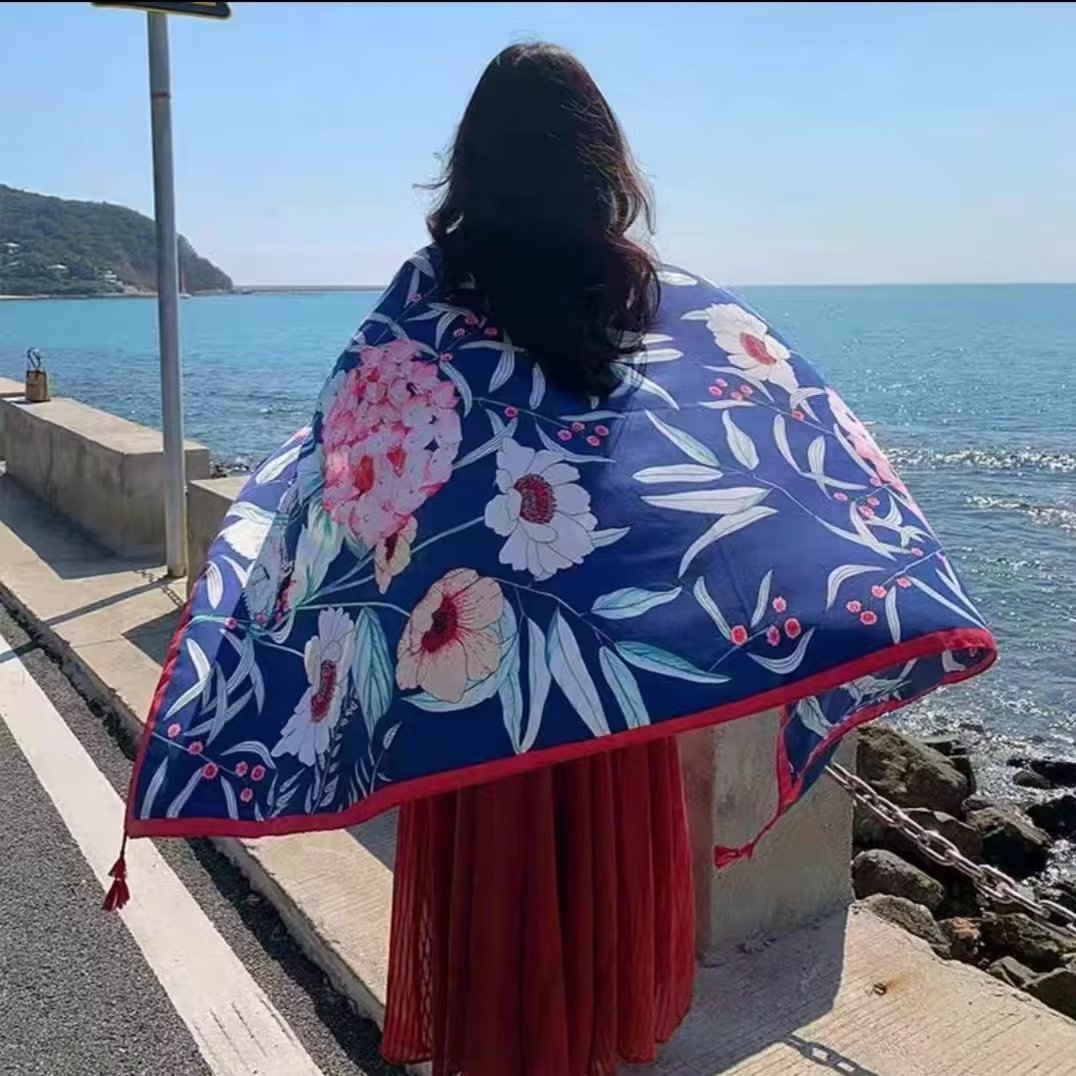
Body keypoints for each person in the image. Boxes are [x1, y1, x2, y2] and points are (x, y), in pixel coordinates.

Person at [379, 44, 696, 1076]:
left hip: (475, 651)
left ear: (473, 157)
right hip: (602, 648)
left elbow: (369, 451)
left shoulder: (431, 288)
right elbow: (676, 453)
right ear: (595, 158)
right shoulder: (632, 286)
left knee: (496, 895)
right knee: (598, 888)